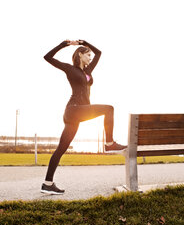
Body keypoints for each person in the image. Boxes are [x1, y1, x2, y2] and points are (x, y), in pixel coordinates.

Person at [41, 39, 127, 195]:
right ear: (80, 55)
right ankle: (109, 143)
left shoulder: (88, 72)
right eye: (88, 55)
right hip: (74, 110)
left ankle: (47, 183)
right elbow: (47, 57)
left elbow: (99, 53)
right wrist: (64, 44)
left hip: (78, 113)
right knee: (109, 109)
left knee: (61, 148)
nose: (90, 58)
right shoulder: (69, 69)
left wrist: (86, 42)